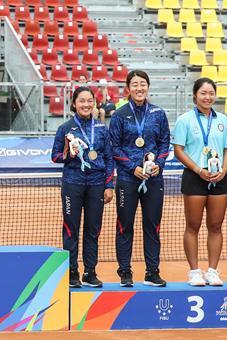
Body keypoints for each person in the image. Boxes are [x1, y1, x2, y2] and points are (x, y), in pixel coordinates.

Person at [108, 70, 170, 287]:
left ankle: (152, 272)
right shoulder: (119, 115)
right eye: (134, 85)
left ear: (148, 86)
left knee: (152, 225)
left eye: (142, 84)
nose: (139, 88)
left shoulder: (158, 114)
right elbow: (113, 147)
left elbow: (164, 144)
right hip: (128, 179)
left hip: (153, 179)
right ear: (128, 88)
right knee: (125, 225)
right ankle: (125, 272)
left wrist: (158, 166)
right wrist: (132, 167)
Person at [172, 78, 227, 287]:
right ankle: (194, 272)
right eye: (203, 93)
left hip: (219, 178)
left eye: (211, 93)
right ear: (195, 96)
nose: (207, 97)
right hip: (194, 177)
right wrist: (198, 169)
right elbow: (178, 150)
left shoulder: (223, 120)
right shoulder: (185, 120)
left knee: (216, 226)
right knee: (193, 225)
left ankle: (213, 271)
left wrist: (223, 171)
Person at [51, 86, 115, 288]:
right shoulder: (65, 129)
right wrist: (68, 155)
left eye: (89, 101)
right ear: (74, 104)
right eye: (82, 101)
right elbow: (54, 156)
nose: (86, 104)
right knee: (71, 229)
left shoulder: (102, 129)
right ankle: (71, 272)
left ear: (94, 104)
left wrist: (109, 185)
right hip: (73, 184)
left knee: (93, 230)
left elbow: (109, 158)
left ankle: (90, 272)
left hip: (97, 185)